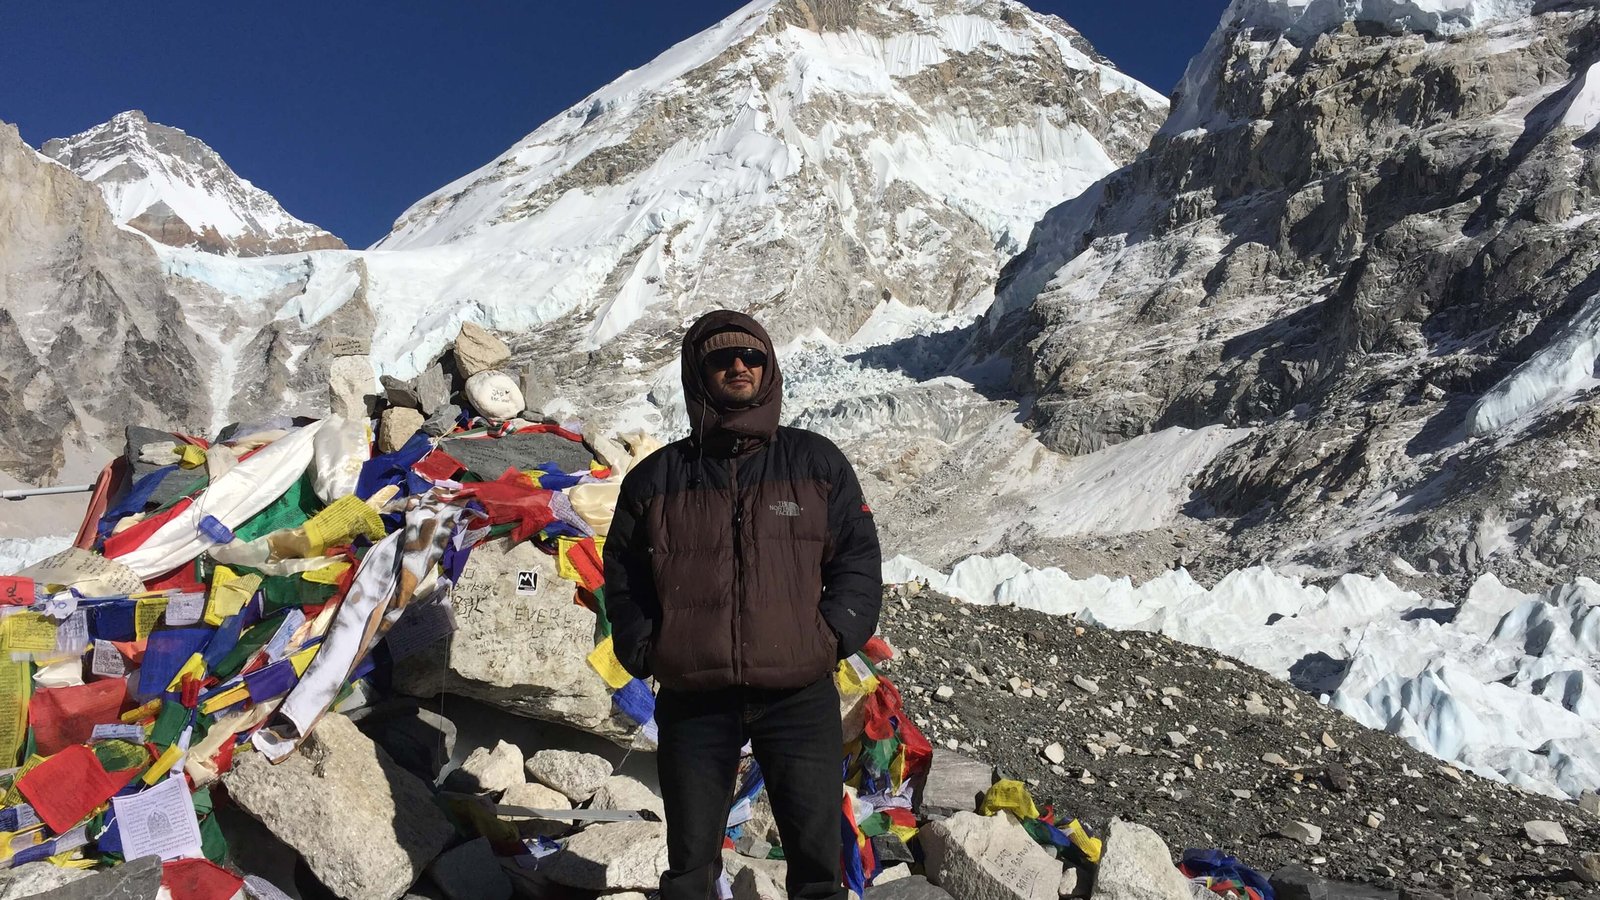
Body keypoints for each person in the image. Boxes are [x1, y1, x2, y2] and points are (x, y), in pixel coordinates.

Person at [604, 309, 882, 900]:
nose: (738, 366)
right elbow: (624, 574)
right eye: (721, 358)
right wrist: (648, 649)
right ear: (696, 373)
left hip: (798, 693)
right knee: (689, 867)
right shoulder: (655, 480)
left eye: (751, 356)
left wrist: (831, 638)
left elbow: (858, 558)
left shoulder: (816, 464)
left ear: (768, 367)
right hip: (694, 697)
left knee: (817, 866)